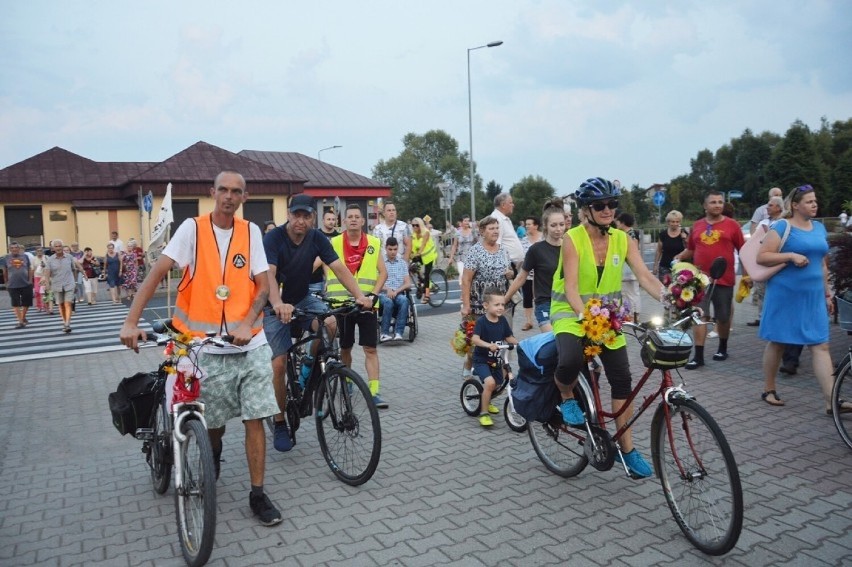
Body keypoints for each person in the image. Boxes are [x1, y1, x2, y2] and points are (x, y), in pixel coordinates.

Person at [120, 170, 283, 526]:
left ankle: (257, 494)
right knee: (214, 425)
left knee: (256, 418)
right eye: (223, 189)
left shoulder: (251, 231)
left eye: (236, 191)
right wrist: (131, 321)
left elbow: (261, 287)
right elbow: (157, 273)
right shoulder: (192, 229)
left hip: (250, 342)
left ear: (244, 196)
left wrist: (246, 322)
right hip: (202, 348)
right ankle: (213, 451)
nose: (228, 196)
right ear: (212, 192)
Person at [550, 178, 664, 479]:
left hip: (608, 317)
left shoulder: (624, 239)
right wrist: (584, 314)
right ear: (586, 210)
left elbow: (645, 276)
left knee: (623, 379)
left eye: (612, 204)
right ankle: (565, 396)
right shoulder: (573, 239)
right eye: (600, 205)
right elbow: (572, 288)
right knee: (571, 359)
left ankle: (627, 451)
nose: (607, 210)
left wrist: (672, 297)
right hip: (569, 311)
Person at [263, 194, 374, 451]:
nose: (300, 221)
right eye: (296, 215)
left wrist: (359, 296)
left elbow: (339, 267)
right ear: (288, 215)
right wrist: (278, 303)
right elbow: (268, 275)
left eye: (306, 216)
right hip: (274, 304)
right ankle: (280, 422)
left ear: (313, 218)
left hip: (302, 299)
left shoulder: (316, 238)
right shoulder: (274, 238)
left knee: (331, 324)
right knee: (278, 365)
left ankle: (310, 368)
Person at [756, 185, 845, 413]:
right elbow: (763, 257)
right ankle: (769, 389)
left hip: (813, 296)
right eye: (808, 201)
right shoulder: (782, 226)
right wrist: (790, 255)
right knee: (778, 341)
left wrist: (827, 293)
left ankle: (831, 401)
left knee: (821, 345)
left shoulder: (819, 228)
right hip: (785, 294)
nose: (814, 205)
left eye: (815, 201)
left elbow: (822, 264)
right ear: (795, 205)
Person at [675, 191, 748, 369]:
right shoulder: (697, 226)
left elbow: (743, 251)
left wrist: (747, 274)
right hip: (698, 281)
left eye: (720, 202)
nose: (717, 205)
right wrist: (678, 259)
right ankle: (698, 355)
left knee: (722, 317)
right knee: (699, 316)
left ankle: (723, 347)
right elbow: (691, 250)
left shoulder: (732, 225)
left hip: (724, 279)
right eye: (713, 202)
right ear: (705, 206)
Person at [327, 204, 389, 407]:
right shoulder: (333, 243)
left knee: (370, 348)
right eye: (349, 217)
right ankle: (347, 381)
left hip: (367, 305)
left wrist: (373, 294)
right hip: (342, 305)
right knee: (345, 348)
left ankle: (374, 391)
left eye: (357, 217)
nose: (353, 219)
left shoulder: (373, 242)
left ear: (363, 221)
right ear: (343, 221)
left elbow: (383, 273)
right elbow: (314, 265)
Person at [503, 200, 568, 333]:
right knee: (553, 339)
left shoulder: (571, 247)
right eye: (553, 225)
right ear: (545, 226)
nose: (558, 229)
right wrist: (504, 300)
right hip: (545, 304)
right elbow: (521, 277)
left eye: (561, 224)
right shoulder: (536, 250)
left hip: (567, 304)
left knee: (567, 348)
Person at [460, 216, 513, 378]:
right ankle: (470, 362)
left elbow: (509, 271)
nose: (495, 231)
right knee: (477, 338)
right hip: (479, 303)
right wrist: (466, 304)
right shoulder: (475, 251)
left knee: (501, 337)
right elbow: (466, 279)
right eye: (491, 228)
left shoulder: (503, 249)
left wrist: (510, 273)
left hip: (501, 302)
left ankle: (502, 369)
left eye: (497, 228)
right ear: (482, 232)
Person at [470, 287, 519, 427]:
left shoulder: (503, 321)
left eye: (502, 304)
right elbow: (475, 339)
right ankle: (484, 413)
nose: (500, 307)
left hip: (496, 360)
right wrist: (487, 345)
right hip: (482, 361)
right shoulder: (481, 322)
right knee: (490, 384)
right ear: (486, 306)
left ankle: (487, 399)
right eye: (497, 305)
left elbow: (508, 337)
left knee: (499, 383)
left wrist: (521, 344)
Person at [746, 195, 784, 326]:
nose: (767, 208)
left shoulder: (784, 222)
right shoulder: (764, 222)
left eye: (770, 205)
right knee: (761, 291)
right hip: (762, 262)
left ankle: (776, 318)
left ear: (779, 208)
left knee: (776, 291)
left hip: (777, 263)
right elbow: (756, 240)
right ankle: (762, 318)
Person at [378, 236, 412, 342]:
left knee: (404, 300)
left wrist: (396, 291)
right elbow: (375, 283)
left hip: (398, 292)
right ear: (386, 248)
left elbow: (408, 283)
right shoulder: (380, 263)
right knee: (388, 302)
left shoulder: (402, 263)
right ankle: (384, 333)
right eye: (390, 249)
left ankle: (398, 332)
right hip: (383, 293)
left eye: (395, 249)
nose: (393, 252)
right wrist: (388, 289)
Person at [43, 239, 80, 333]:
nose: (58, 248)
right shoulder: (50, 260)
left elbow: (74, 270)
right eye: (56, 246)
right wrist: (47, 284)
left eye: (60, 246)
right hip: (57, 284)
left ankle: (67, 323)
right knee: (61, 305)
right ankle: (64, 322)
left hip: (69, 283)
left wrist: (75, 283)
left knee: (68, 303)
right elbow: (47, 273)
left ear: (62, 247)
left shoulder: (69, 257)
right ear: (53, 248)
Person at [515, 216, 543, 331]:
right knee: (527, 298)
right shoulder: (523, 241)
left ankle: (543, 319)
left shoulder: (544, 238)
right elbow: (521, 257)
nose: (527, 226)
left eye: (529, 224)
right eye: (526, 224)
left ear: (536, 226)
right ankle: (528, 321)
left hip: (541, 275)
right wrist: (517, 269)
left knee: (541, 298)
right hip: (527, 274)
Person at [615, 212, 641, 322]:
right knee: (627, 293)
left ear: (623, 222)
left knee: (632, 294)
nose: (616, 223)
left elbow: (632, 251)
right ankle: (629, 314)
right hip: (627, 270)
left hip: (629, 269)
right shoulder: (630, 233)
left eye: (618, 221)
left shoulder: (630, 235)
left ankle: (634, 315)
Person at [2, 242, 34, 329]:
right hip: (12, 284)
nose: (14, 249)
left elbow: (29, 268)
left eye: (16, 248)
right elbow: (5, 271)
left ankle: (23, 317)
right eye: (12, 248)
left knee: (26, 303)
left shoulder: (25, 256)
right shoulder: (6, 258)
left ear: (19, 249)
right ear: (9, 249)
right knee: (15, 303)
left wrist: (30, 280)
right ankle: (20, 321)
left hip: (25, 283)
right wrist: (6, 282)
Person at [490, 193, 525, 270]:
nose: (513, 205)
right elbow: (496, 244)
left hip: (514, 266)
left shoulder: (504, 219)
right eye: (510, 202)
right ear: (503, 205)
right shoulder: (496, 219)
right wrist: (506, 267)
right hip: (507, 267)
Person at [653, 210, 688, 281]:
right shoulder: (663, 234)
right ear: (668, 222)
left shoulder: (684, 233)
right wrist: (655, 265)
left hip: (680, 267)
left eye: (677, 222)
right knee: (665, 290)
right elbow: (659, 251)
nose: (675, 224)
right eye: (673, 222)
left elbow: (689, 249)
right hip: (665, 267)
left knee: (679, 290)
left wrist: (684, 239)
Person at [410, 217, 438, 304]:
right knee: (413, 267)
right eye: (413, 225)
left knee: (426, 275)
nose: (415, 227)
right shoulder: (413, 235)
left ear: (420, 225)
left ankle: (427, 295)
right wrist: (410, 256)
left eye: (416, 225)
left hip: (429, 255)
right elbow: (413, 248)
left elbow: (422, 246)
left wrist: (417, 254)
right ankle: (420, 283)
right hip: (421, 256)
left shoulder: (426, 232)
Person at [448, 216, 477, 283]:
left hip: (471, 257)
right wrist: (451, 257)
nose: (467, 222)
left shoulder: (473, 232)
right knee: (462, 274)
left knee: (471, 276)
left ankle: (470, 291)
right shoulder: (457, 233)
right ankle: (464, 291)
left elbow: (477, 243)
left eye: (468, 221)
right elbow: (454, 246)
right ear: (461, 223)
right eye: (465, 221)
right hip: (460, 257)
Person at [33, 247, 46, 312]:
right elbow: (32, 268)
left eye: (41, 251)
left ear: (43, 251)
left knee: (44, 292)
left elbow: (49, 267)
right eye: (38, 251)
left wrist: (44, 266)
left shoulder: (46, 258)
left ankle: (45, 306)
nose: (39, 252)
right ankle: (39, 306)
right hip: (37, 277)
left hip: (45, 276)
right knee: (37, 292)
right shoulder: (34, 259)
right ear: (36, 252)